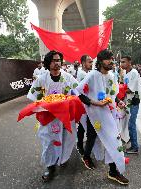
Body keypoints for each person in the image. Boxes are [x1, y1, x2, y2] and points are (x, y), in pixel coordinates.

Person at [76, 49, 129, 185]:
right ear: (99, 61)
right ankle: (86, 156)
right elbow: (79, 93)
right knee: (92, 138)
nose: (111, 61)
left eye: (112, 59)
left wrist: (119, 101)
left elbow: (112, 94)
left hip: (109, 115)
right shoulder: (92, 75)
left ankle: (113, 171)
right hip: (94, 115)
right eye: (108, 59)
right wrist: (96, 103)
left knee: (113, 139)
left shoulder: (111, 76)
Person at [27, 50, 78, 182]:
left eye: (59, 60)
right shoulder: (41, 79)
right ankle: (50, 167)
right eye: (54, 60)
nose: (57, 63)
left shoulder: (68, 77)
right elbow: (33, 96)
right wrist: (44, 105)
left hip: (65, 115)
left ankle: (63, 158)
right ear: (48, 63)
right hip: (49, 116)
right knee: (48, 141)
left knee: (68, 138)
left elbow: (78, 91)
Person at [76, 55, 93, 156]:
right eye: (89, 62)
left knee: (86, 125)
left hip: (89, 102)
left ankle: (84, 145)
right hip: (84, 103)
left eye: (91, 62)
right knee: (82, 125)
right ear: (83, 63)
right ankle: (80, 145)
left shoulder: (88, 72)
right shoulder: (82, 73)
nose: (91, 64)